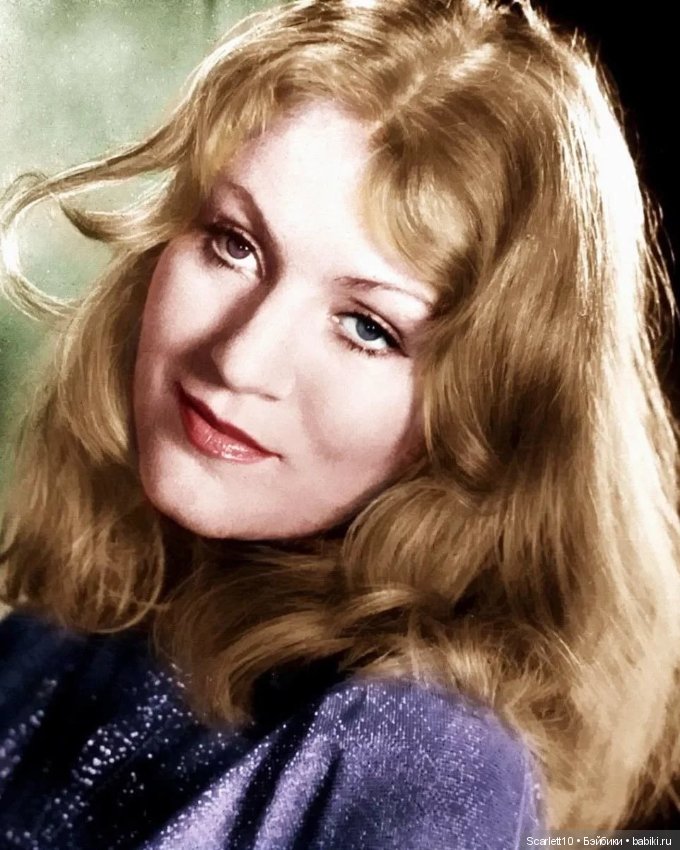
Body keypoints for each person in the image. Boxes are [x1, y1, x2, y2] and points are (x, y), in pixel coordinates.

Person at [1, 0, 679, 845]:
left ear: (488, 412)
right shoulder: (66, 633)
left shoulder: (424, 756)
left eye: (368, 327)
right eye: (234, 243)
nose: (240, 360)